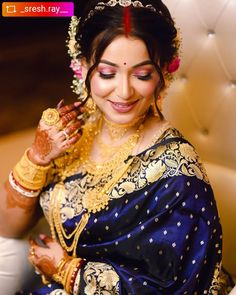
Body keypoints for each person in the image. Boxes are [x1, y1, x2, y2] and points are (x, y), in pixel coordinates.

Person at [0, 0, 234, 294]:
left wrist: (68, 271)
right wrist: (37, 158)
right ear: (82, 66)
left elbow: (175, 285)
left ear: (164, 71)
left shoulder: (177, 171)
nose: (124, 92)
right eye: (107, 73)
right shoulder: (71, 131)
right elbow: (7, 230)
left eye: (142, 74)